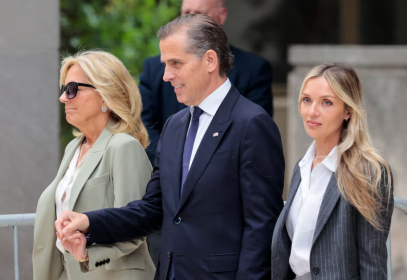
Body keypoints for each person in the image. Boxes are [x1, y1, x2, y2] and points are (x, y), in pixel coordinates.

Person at [55, 14, 285, 280]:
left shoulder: (252, 124)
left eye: (176, 63)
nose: (166, 75)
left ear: (210, 60)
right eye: (165, 64)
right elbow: (153, 209)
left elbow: (262, 227)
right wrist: (90, 222)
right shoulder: (175, 125)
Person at [33, 51, 155, 280]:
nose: (63, 98)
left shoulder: (124, 147)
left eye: (73, 89)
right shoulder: (73, 148)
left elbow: (136, 225)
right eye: (63, 90)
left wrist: (87, 254)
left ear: (105, 96)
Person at [271, 63, 394, 280]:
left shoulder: (369, 172)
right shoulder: (302, 167)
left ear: (348, 111)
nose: (312, 111)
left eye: (326, 102)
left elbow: (372, 262)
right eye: (307, 100)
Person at [141, 0, 274, 166]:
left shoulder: (253, 69)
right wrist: (171, 167)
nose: (191, 21)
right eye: (186, 13)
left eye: (199, 14)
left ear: (221, 15)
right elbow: (145, 126)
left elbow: (254, 136)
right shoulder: (154, 69)